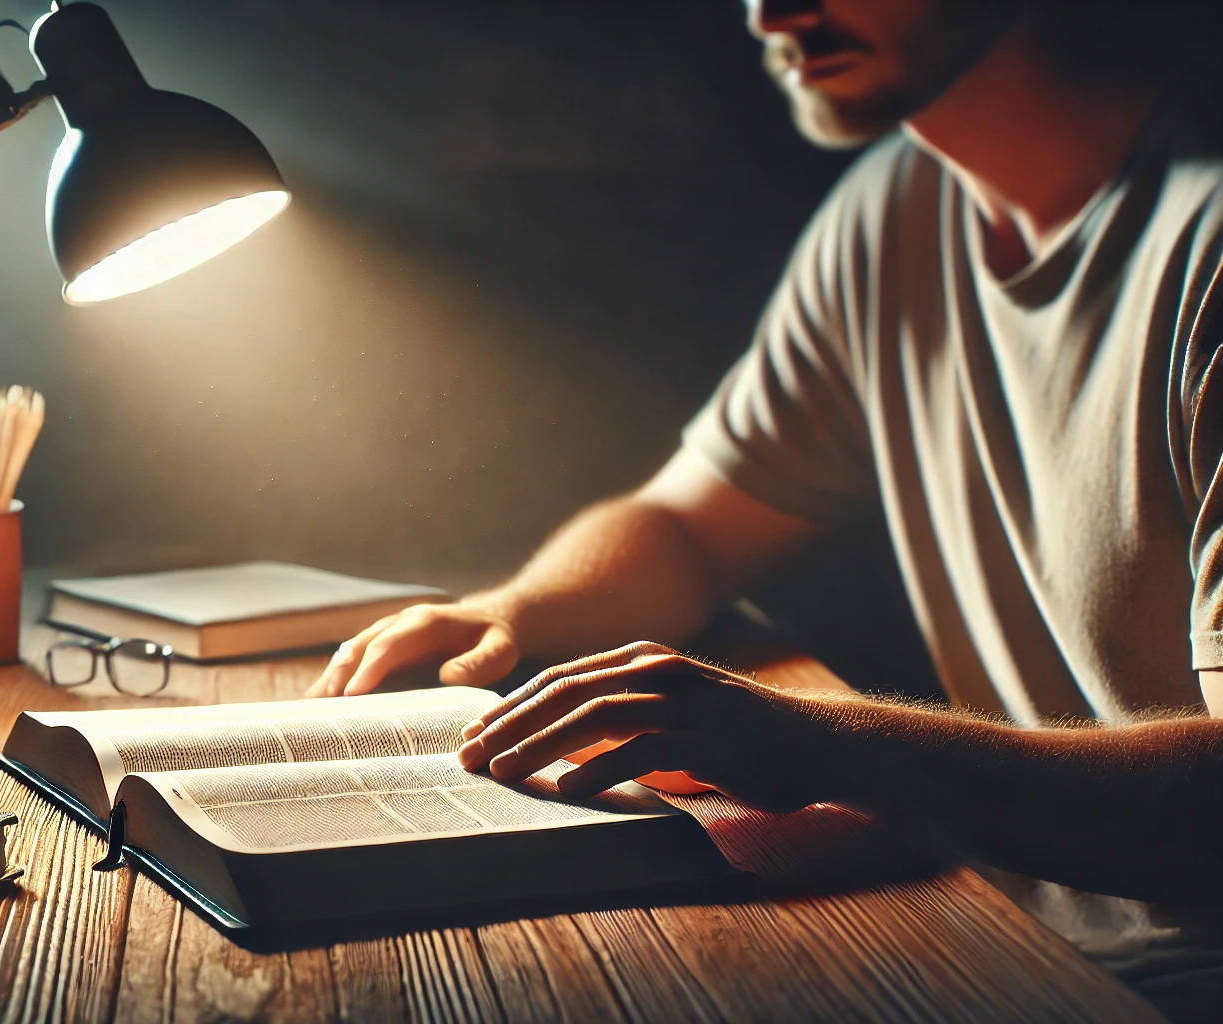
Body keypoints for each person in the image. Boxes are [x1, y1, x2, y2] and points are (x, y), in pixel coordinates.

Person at [309, 0, 1223, 906]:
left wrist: (828, 748)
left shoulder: (1204, 238)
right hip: (1031, 933)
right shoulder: (897, 207)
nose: (769, 14)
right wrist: (515, 612)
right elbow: (687, 524)